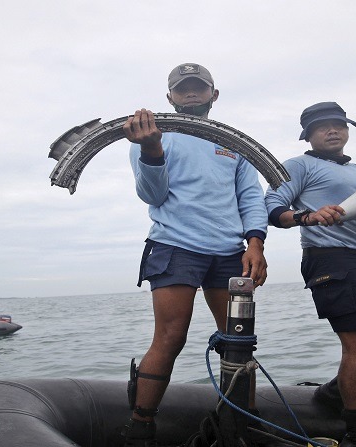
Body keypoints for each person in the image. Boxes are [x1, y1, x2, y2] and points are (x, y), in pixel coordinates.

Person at [120, 62, 268, 446]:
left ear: (213, 94)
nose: (190, 93)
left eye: (198, 87)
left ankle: (240, 424)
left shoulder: (233, 142)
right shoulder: (151, 134)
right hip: (174, 245)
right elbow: (152, 195)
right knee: (171, 336)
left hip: (228, 252)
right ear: (169, 96)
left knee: (238, 341)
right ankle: (140, 429)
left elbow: (250, 196)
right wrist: (151, 149)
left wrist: (255, 242)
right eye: (182, 88)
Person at [264, 102, 356, 447]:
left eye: (338, 125)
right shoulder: (299, 165)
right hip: (330, 259)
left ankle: (332, 393)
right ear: (308, 136)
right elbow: (272, 206)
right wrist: (307, 217)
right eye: (322, 127)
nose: (332, 131)